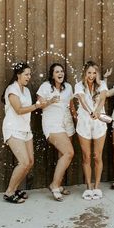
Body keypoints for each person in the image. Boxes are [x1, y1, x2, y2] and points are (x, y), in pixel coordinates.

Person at [2, 62, 45, 204]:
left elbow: (28, 109)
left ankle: (14, 189)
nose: (29, 77)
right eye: (26, 74)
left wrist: (43, 103)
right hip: (13, 128)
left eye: (30, 74)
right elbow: (19, 110)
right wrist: (37, 106)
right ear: (18, 75)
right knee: (24, 162)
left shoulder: (26, 90)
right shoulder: (11, 89)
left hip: (25, 129)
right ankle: (9, 192)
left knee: (30, 162)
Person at [37, 63, 77, 201]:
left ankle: (58, 184)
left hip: (67, 123)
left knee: (63, 155)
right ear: (52, 74)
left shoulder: (68, 87)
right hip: (52, 124)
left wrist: (77, 120)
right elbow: (39, 104)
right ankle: (54, 185)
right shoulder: (45, 86)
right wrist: (50, 101)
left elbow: (71, 106)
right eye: (57, 72)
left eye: (62, 71)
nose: (60, 73)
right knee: (69, 152)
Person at [74, 61, 108, 200]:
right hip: (84, 123)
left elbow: (103, 99)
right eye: (89, 72)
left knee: (97, 156)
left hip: (99, 124)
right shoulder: (78, 85)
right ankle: (88, 187)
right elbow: (82, 100)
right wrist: (90, 112)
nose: (92, 75)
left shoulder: (102, 85)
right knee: (86, 157)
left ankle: (97, 187)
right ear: (84, 73)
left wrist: (98, 111)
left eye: (94, 73)